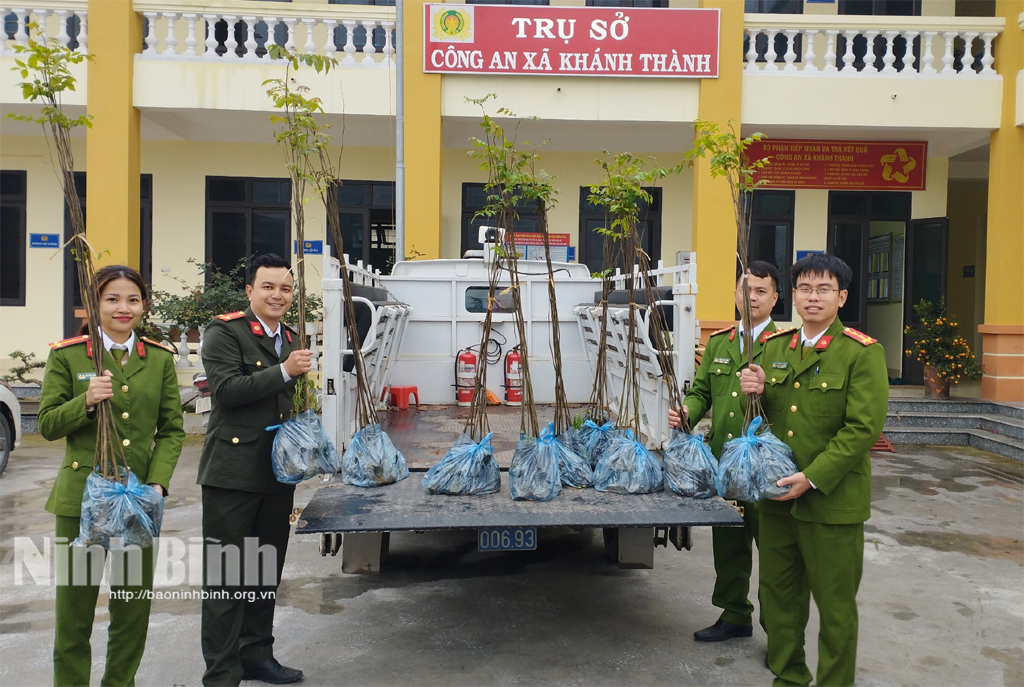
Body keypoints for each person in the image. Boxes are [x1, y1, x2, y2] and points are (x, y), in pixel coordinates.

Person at [739, 253, 887, 686]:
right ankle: (788, 678)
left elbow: (862, 430)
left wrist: (812, 477)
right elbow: (769, 419)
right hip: (778, 501)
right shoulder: (774, 348)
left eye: (824, 289)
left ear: (841, 297)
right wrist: (759, 393)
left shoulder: (861, 352)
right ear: (794, 296)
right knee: (778, 598)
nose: (813, 296)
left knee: (836, 608)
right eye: (805, 287)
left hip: (830, 503)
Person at [38, 264, 184, 686]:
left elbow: (172, 429)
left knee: (132, 611)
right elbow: (46, 424)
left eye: (133, 299)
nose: (124, 307)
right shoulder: (68, 355)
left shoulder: (157, 359)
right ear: (94, 304)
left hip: (137, 503)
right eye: (112, 298)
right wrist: (83, 401)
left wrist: (157, 483)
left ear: (144, 305)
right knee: (74, 616)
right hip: (79, 502)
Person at [198, 253, 312, 686]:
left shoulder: (291, 336)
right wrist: (284, 370)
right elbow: (226, 392)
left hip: (277, 473)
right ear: (250, 291)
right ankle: (222, 672)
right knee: (228, 577)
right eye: (268, 287)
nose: (277, 295)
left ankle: (256, 655)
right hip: (231, 472)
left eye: (285, 288)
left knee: (264, 570)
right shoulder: (224, 332)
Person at [668, 260, 780, 643]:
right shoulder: (719, 344)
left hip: (768, 470)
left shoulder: (786, 348)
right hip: (726, 467)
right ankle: (735, 615)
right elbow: (701, 393)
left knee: (775, 553)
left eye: (761, 291)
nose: (752, 298)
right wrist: (688, 412)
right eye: (745, 290)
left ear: (775, 298)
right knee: (729, 543)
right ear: (735, 295)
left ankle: (778, 631)